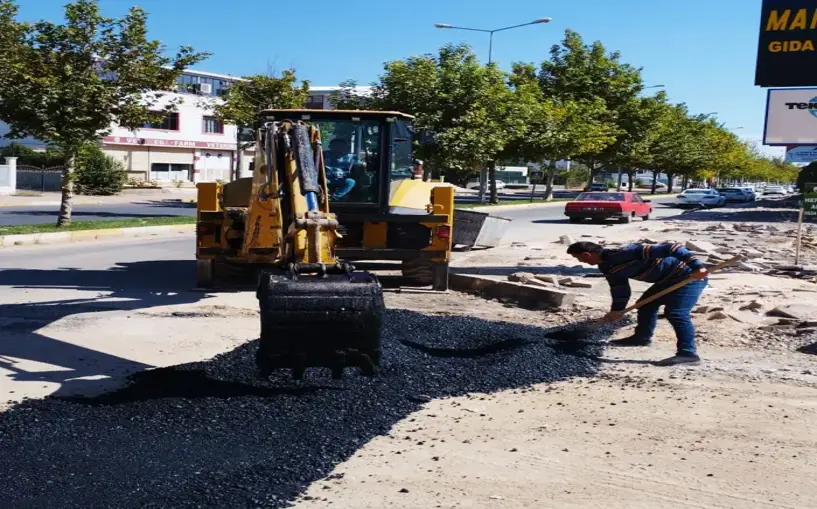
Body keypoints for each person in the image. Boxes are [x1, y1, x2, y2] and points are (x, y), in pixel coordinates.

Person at [566, 241, 709, 366]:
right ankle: (641, 338)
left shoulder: (627, 252)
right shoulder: (606, 267)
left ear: (586, 254)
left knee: (676, 313)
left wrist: (698, 267)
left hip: (689, 277)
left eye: (577, 257)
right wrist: (617, 310)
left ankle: (688, 354)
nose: (580, 261)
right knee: (645, 305)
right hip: (666, 280)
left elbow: (673, 248)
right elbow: (619, 289)